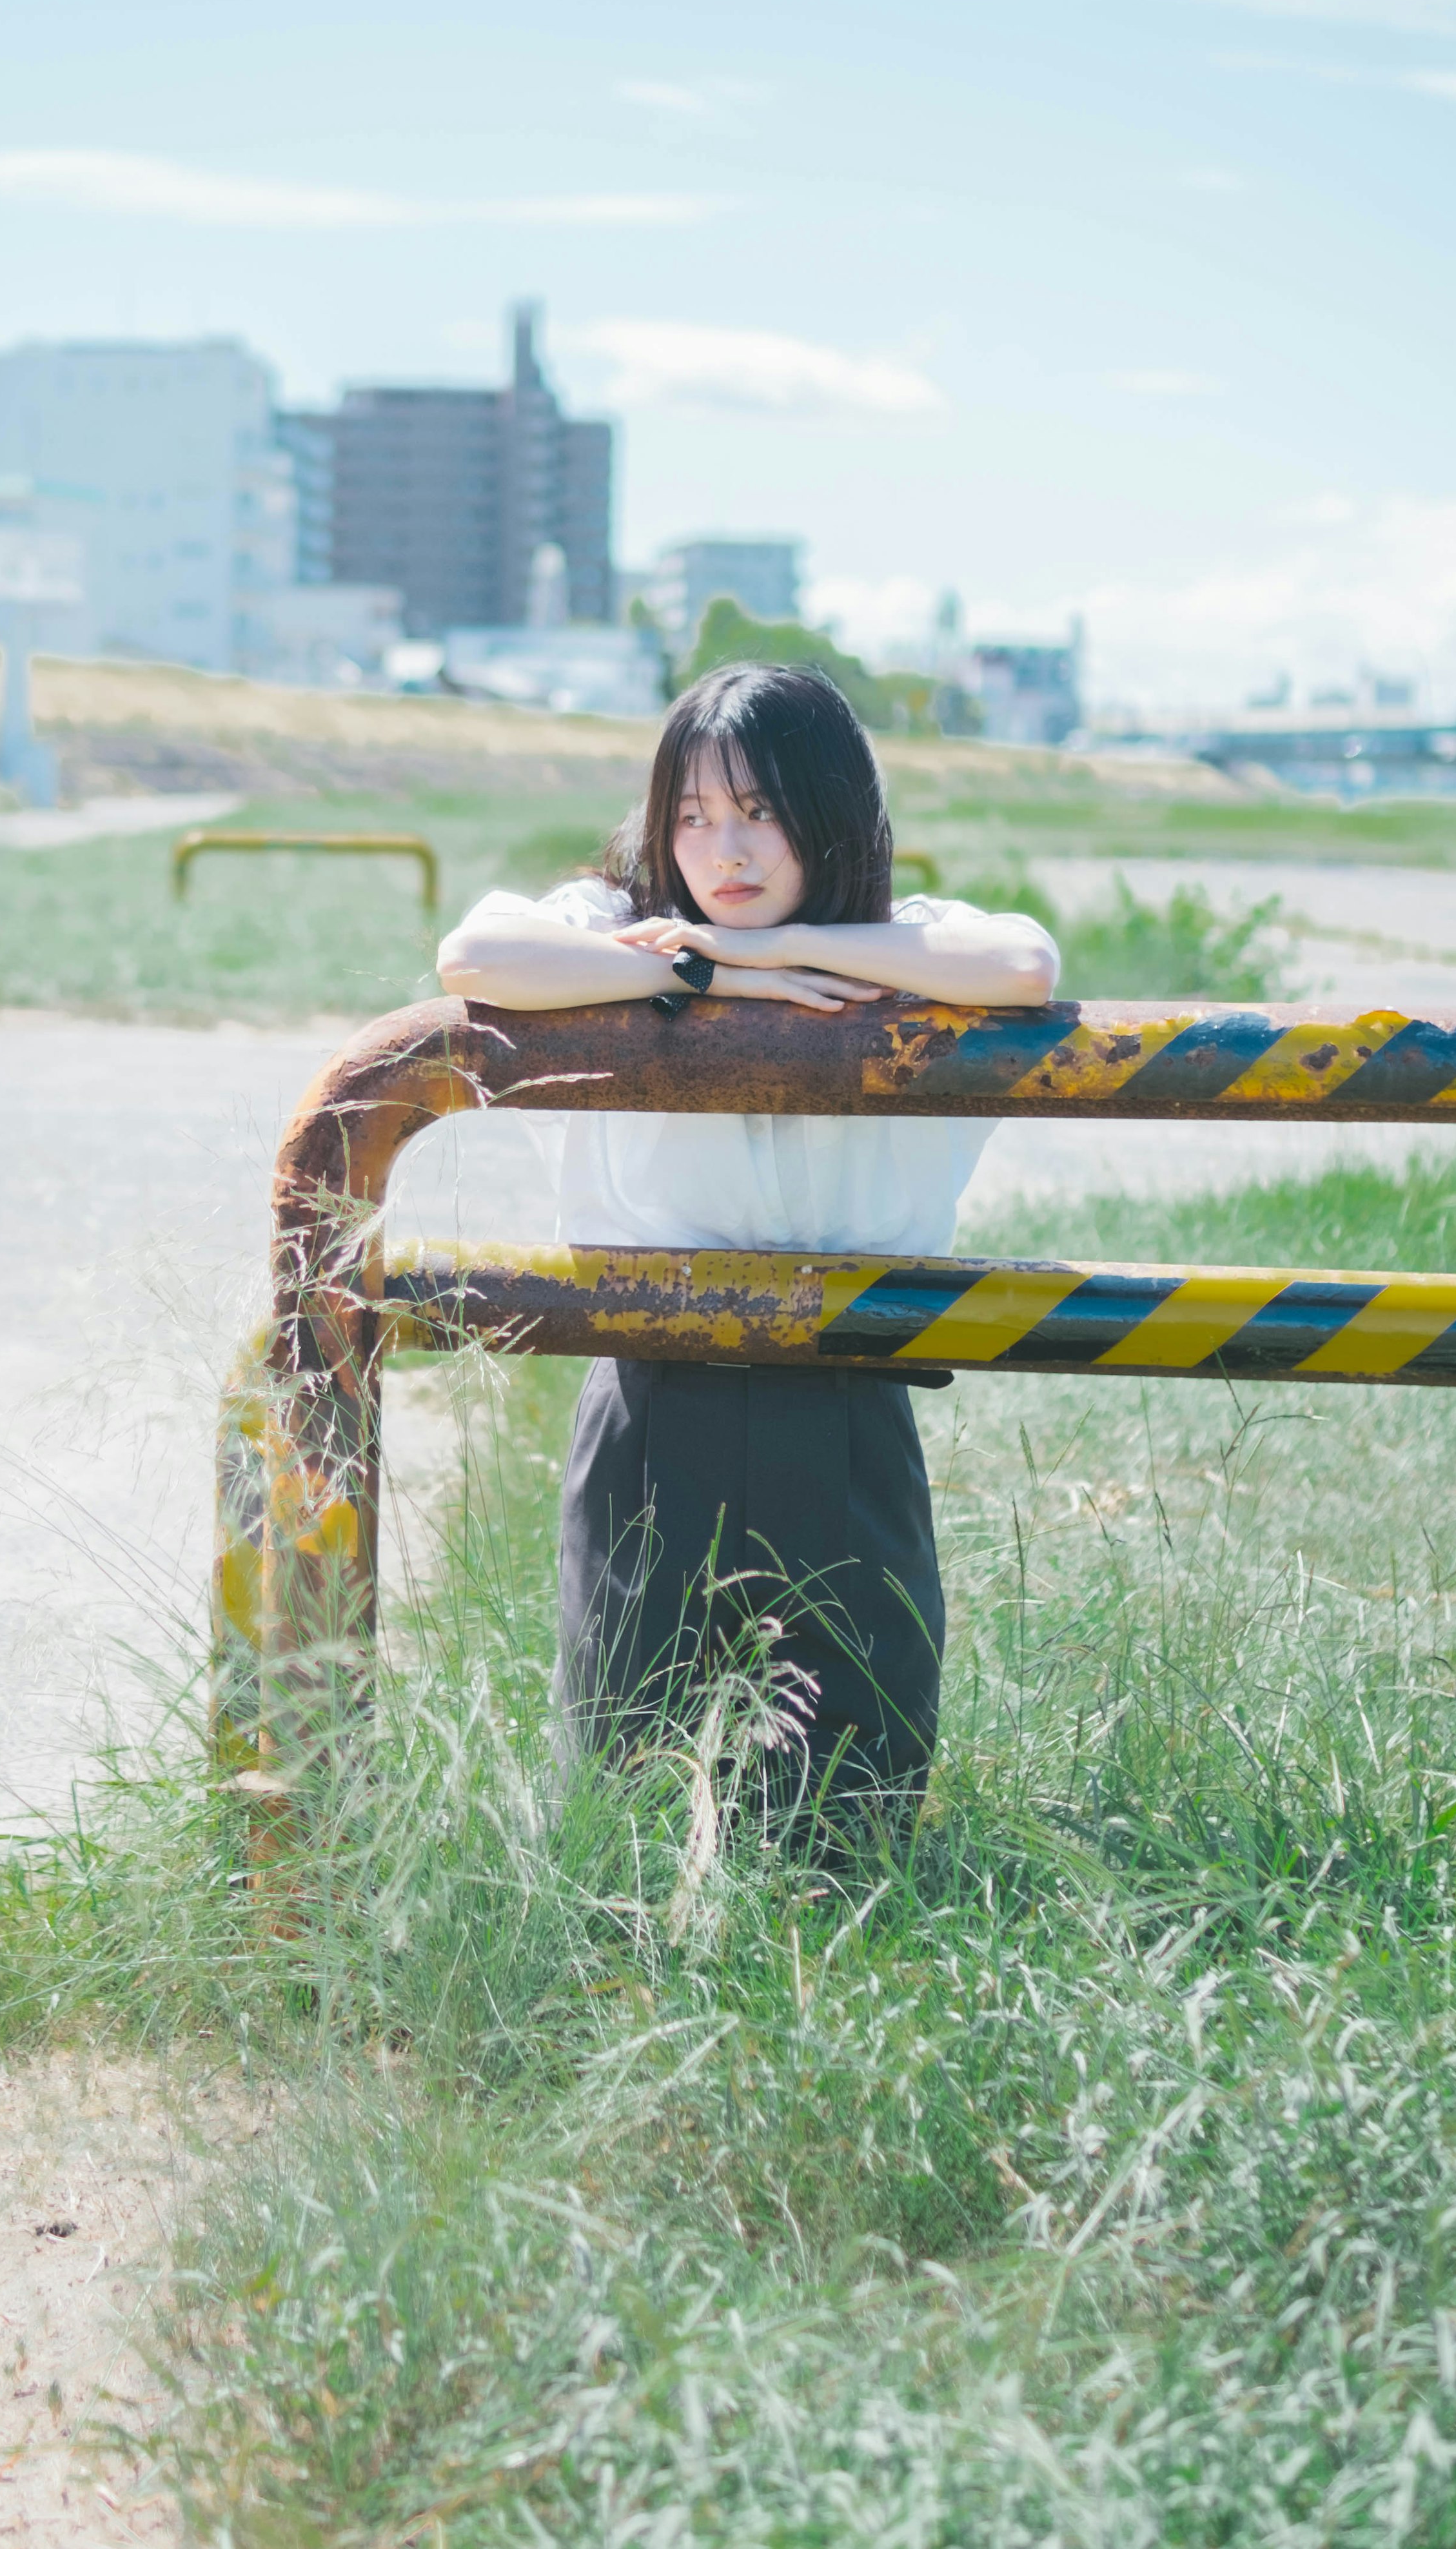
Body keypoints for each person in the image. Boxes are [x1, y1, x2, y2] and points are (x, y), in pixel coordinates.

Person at [436, 662, 1059, 1842]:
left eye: (761, 812)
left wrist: (816, 946)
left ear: (829, 812)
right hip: (653, 1385)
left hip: (849, 1391)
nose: (724, 850)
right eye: (693, 816)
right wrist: (707, 968)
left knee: (852, 1793)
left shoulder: (902, 940)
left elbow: (1023, 968)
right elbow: (473, 958)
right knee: (627, 1778)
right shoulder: (627, 930)